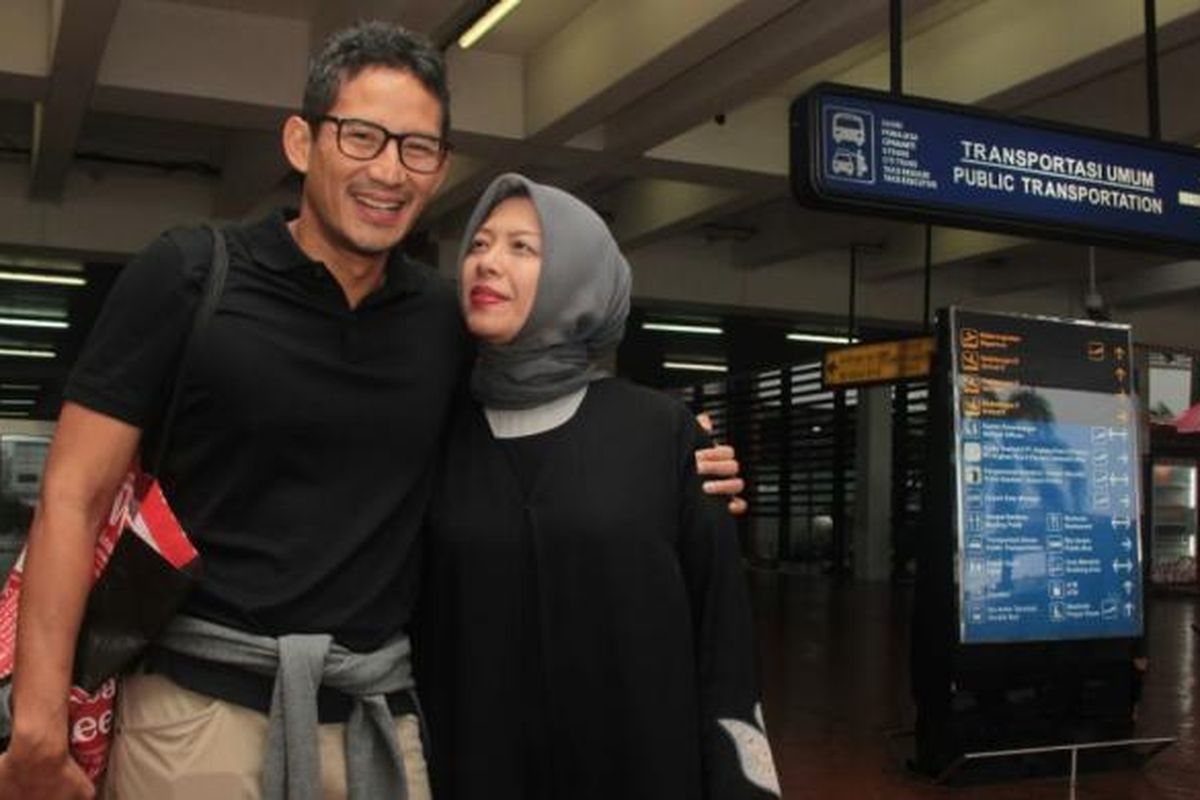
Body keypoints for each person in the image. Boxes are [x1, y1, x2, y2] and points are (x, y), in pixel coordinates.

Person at [0, 21, 743, 800]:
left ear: (440, 167)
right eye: (361, 137)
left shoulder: (443, 324)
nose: (389, 170)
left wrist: (669, 445)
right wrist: (39, 726)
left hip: (376, 724)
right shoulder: (190, 274)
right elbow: (72, 497)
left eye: (416, 148)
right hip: (199, 717)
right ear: (300, 141)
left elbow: (543, 402)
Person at [416, 173, 780, 799]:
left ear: (576, 277)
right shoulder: (436, 436)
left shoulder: (664, 435)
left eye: (522, 248)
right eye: (479, 244)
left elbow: (722, 641)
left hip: (641, 769)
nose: (487, 263)